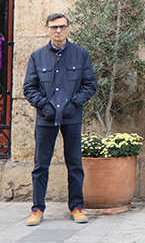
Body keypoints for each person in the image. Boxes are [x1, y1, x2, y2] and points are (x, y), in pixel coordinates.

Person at [23, 13, 97, 226]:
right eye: (54, 27)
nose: (58, 31)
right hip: (46, 118)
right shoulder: (37, 56)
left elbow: (90, 84)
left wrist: (74, 104)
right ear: (47, 29)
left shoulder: (80, 54)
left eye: (62, 26)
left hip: (71, 117)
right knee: (40, 165)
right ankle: (37, 208)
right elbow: (29, 87)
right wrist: (44, 105)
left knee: (74, 163)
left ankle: (76, 207)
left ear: (68, 28)